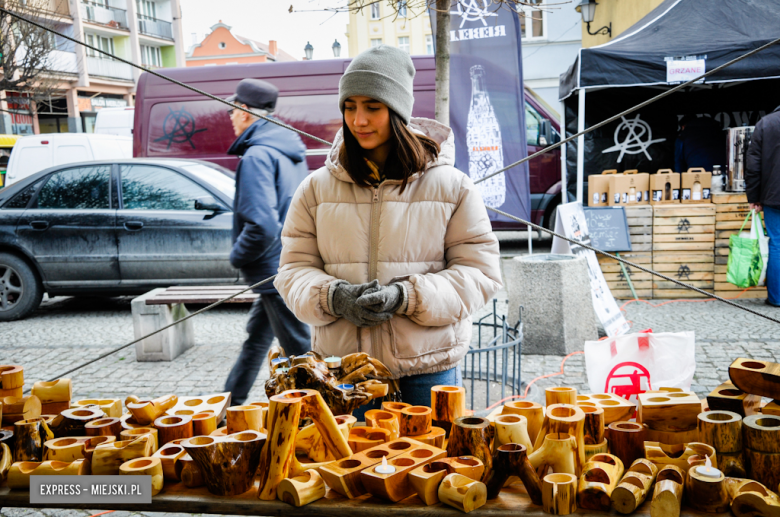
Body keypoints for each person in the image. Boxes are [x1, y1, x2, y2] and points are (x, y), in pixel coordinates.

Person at [273, 45, 503, 412]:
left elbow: (480, 274)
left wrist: (407, 296)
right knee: (350, 469)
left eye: (372, 107)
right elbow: (291, 272)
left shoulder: (452, 186)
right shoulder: (315, 189)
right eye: (349, 106)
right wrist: (332, 297)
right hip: (344, 375)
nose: (358, 120)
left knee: (432, 467)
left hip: (428, 371)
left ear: (397, 111)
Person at [224, 78, 312, 405]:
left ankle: (329, 421)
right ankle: (228, 405)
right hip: (286, 263)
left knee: (302, 354)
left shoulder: (257, 156)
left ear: (244, 111)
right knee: (257, 340)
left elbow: (262, 225)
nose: (230, 118)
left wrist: (237, 257)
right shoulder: (288, 150)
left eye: (232, 111)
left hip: (272, 270)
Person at [746, 105, 780, 307]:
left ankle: (777, 298)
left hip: (774, 196)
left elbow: (753, 164)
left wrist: (754, 196)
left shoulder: (766, 123)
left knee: (777, 244)